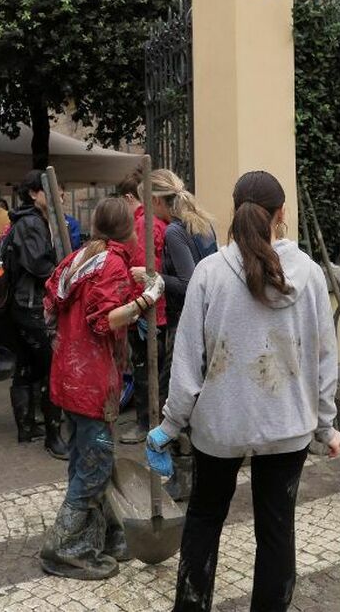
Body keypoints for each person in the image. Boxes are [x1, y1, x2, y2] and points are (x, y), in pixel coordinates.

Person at [147, 171, 340, 610]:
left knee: (203, 521)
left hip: (220, 426)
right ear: (281, 214)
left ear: (236, 212)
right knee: (276, 530)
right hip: (288, 425)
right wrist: (325, 426)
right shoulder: (310, 276)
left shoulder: (210, 274)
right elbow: (324, 359)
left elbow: (187, 361)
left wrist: (169, 424)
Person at [39, 197, 155, 580]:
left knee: (84, 457)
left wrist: (62, 340)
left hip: (68, 375)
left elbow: (49, 302)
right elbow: (105, 321)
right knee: (95, 464)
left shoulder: (80, 257)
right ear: (127, 230)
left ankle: (101, 536)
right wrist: (144, 299)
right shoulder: (114, 263)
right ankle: (64, 547)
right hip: (91, 379)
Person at [150, 168, 219, 498]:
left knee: (174, 394)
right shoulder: (203, 223)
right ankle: (202, 474)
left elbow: (192, 283)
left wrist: (154, 277)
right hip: (209, 322)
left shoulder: (176, 231)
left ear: (159, 202)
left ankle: (183, 476)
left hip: (186, 324)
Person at [5, 171, 69, 459]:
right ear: (34, 193)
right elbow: (40, 265)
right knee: (50, 369)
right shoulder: (31, 223)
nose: (61, 195)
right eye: (53, 190)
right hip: (31, 307)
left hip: (20, 305)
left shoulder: (28, 221)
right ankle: (53, 438)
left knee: (26, 366)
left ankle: (26, 429)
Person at [116, 167, 169, 444]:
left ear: (128, 198)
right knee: (155, 368)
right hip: (156, 308)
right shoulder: (156, 222)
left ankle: (145, 423)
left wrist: (134, 309)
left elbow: (141, 271)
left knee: (145, 368)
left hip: (147, 310)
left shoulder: (142, 225)